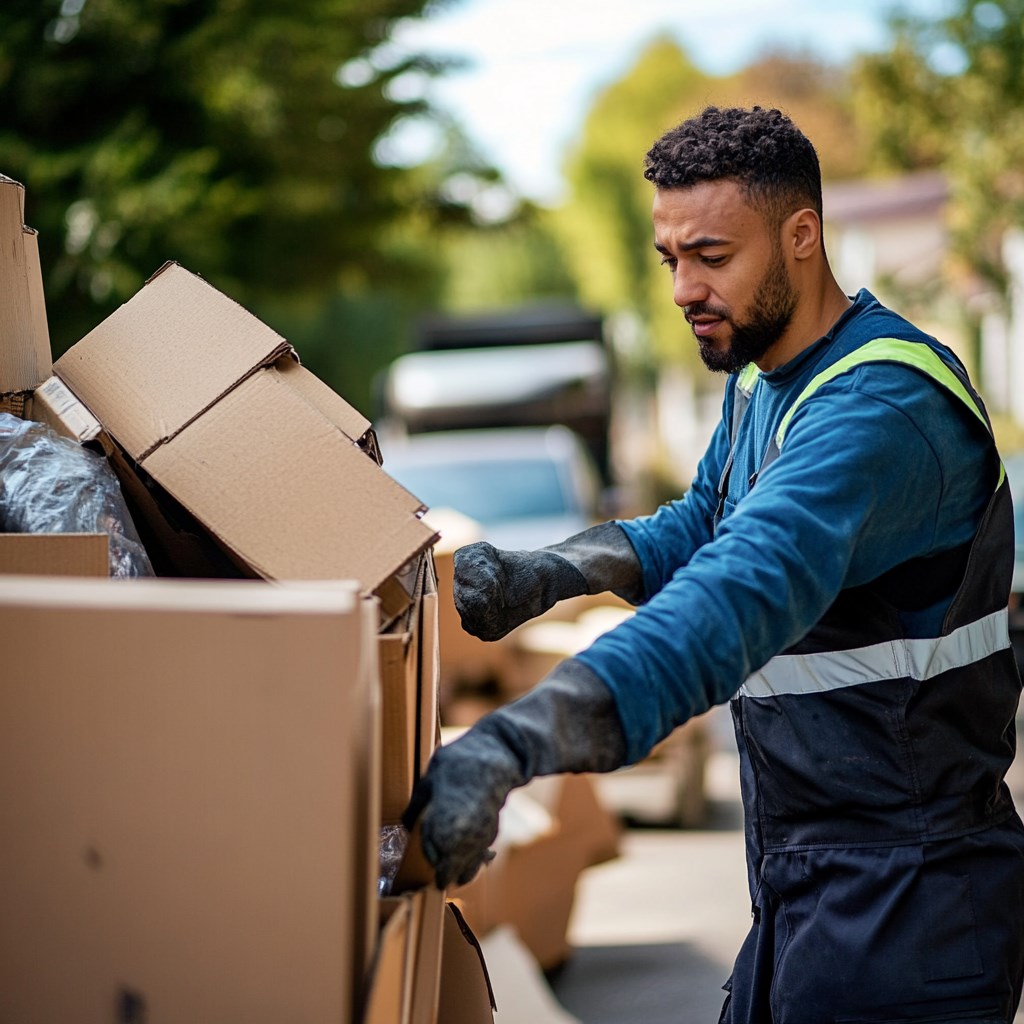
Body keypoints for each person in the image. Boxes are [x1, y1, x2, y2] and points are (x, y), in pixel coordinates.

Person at [403, 105, 1024, 1022]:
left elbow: (736, 592)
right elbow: (705, 521)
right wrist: (550, 571)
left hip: (910, 902)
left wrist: (509, 745)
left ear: (801, 236)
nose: (685, 288)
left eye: (713, 256)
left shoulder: (880, 409)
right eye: (671, 261)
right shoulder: (765, 376)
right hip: (810, 881)